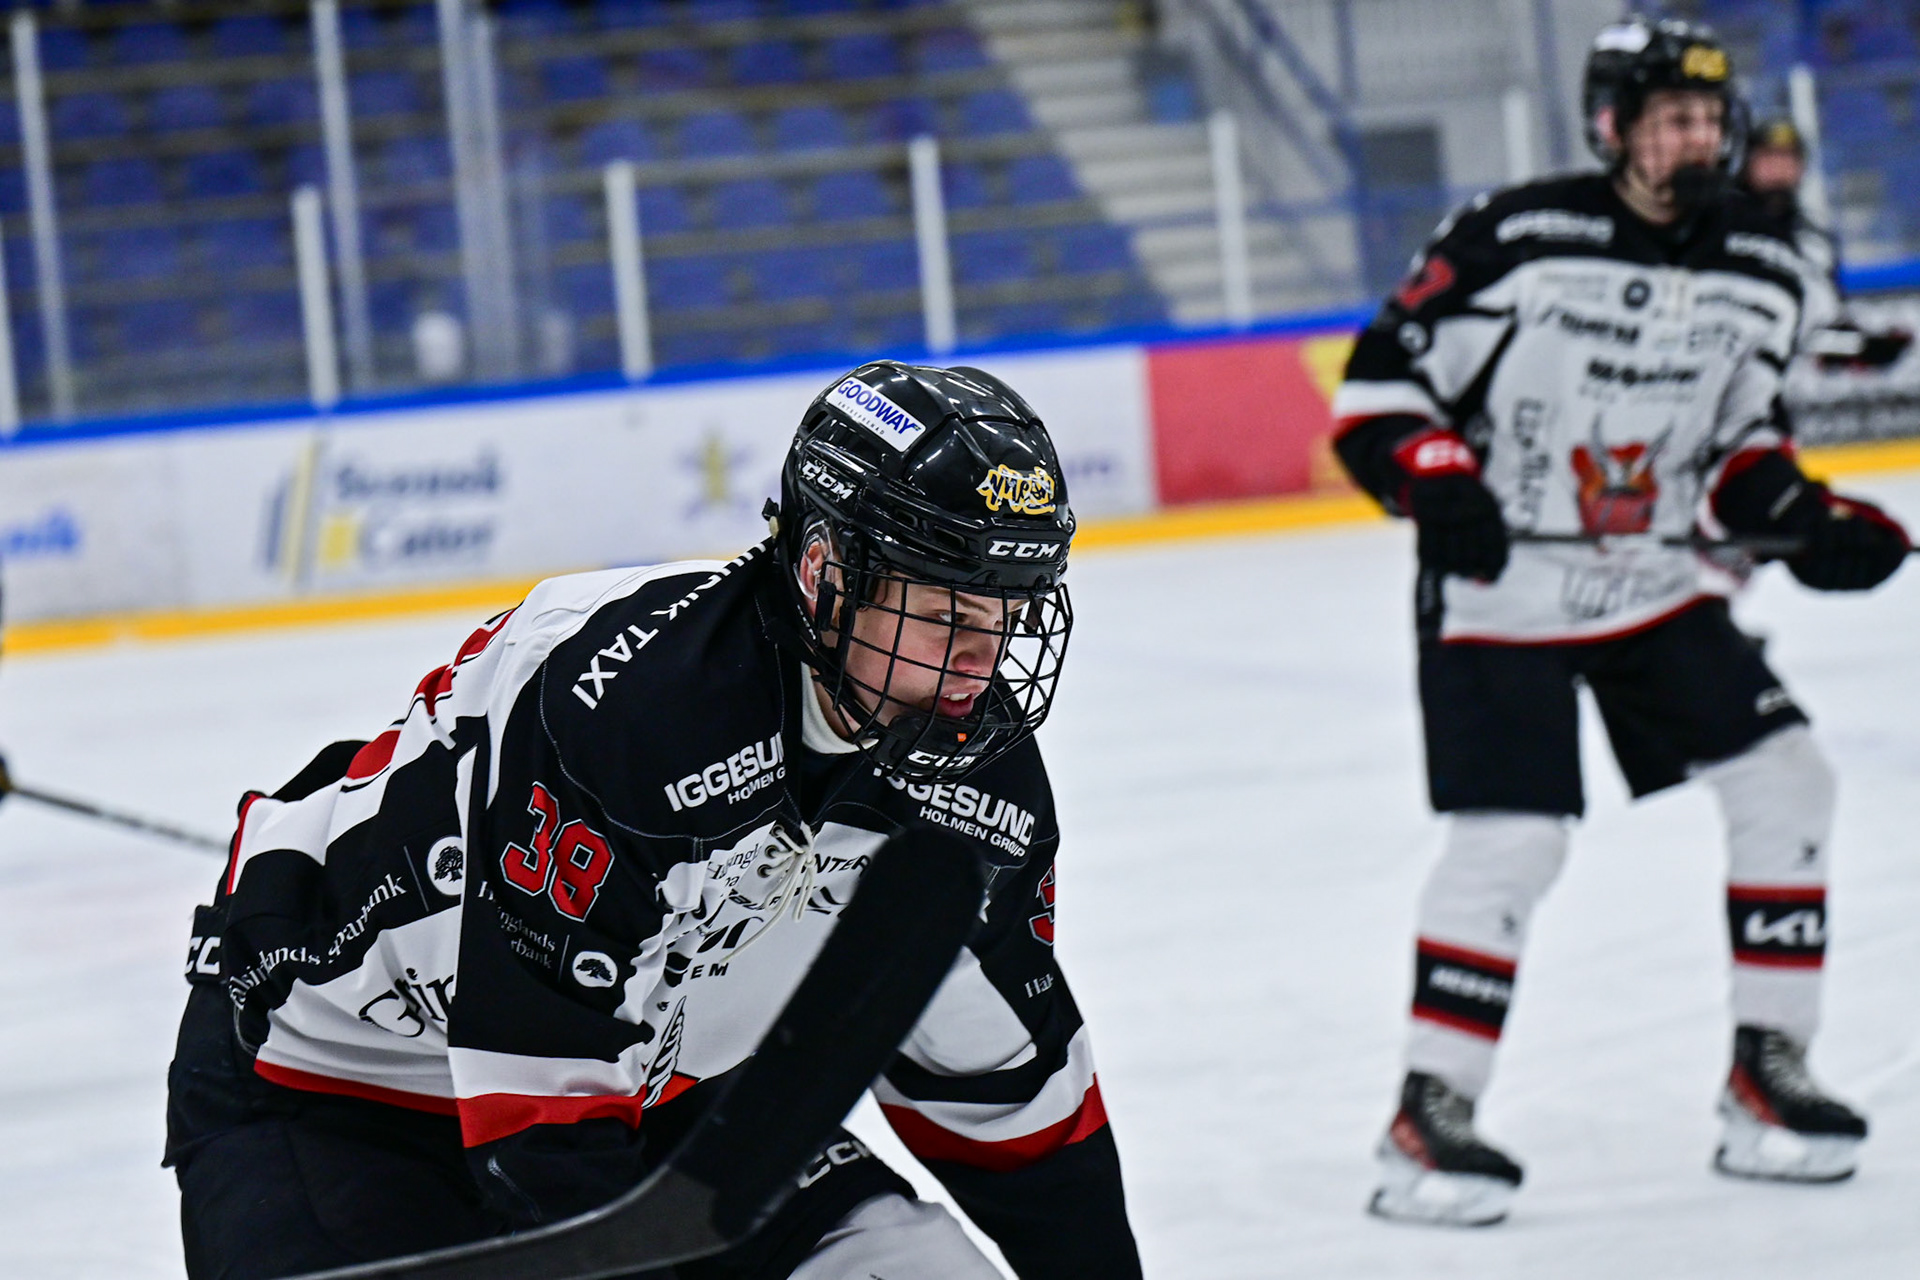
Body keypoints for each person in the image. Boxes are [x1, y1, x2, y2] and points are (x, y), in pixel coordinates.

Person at [164, 361, 1143, 1279]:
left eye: (1007, 613)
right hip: (336, 1086)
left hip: (660, 1096)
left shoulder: (979, 787)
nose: (982, 658)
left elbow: (1009, 1106)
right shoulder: (635, 715)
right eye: (947, 614)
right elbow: (542, 1128)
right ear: (823, 573)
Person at [1330, 17, 1910, 1227]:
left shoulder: (1765, 269)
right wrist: (1436, 476)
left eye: (1708, 118)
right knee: (1513, 839)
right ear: (1612, 127)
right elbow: (1380, 393)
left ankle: (1767, 1073)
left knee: (1788, 777)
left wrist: (1810, 523)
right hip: (1502, 587)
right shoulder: (1516, 237)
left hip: (1654, 581)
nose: (1695, 138)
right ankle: (1429, 1107)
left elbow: (1742, 454)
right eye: (1669, 118)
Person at [1739, 115, 1911, 372]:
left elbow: (1826, 318)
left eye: (1788, 159)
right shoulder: (1724, 229)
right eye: (1769, 158)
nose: (1779, 169)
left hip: (1803, 375)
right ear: (1746, 163)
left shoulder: (1815, 239)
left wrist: (1865, 345)